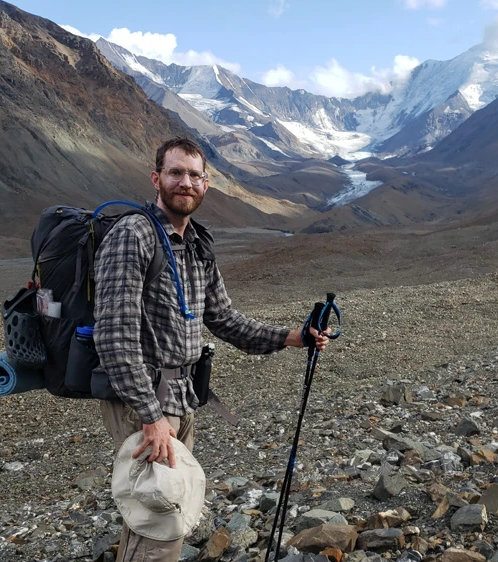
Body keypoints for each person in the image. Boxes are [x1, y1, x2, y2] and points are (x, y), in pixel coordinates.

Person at [93, 137, 329, 561]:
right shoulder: (133, 236)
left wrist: (292, 336)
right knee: (162, 521)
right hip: (144, 401)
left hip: (183, 397)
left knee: (151, 511)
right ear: (156, 179)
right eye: (175, 173)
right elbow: (114, 335)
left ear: (206, 184)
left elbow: (223, 318)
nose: (185, 182)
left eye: (194, 175)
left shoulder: (197, 244)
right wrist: (150, 416)